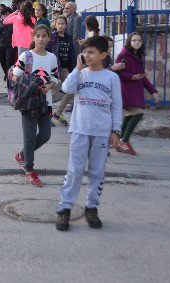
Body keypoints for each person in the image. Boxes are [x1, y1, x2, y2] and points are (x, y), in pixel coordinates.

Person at [56, 36, 122, 231]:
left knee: (97, 172)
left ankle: (92, 207)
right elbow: (66, 88)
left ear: (104, 54)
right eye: (84, 51)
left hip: (102, 131)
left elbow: (117, 105)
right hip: (79, 129)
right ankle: (64, 208)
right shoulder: (80, 74)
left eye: (91, 52)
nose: (86, 55)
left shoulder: (112, 77)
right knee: (74, 170)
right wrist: (76, 69)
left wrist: (116, 130)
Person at [12, 24, 60, 187]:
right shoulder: (26, 56)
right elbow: (15, 77)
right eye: (37, 35)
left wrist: (50, 86)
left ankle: (22, 155)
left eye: (44, 36)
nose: (41, 39)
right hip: (29, 102)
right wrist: (33, 85)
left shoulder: (52, 57)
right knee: (30, 137)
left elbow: (55, 77)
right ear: (33, 37)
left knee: (45, 135)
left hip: (46, 102)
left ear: (49, 38)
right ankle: (29, 170)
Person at [113, 32, 160, 155]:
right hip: (126, 90)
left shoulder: (137, 56)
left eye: (139, 40)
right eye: (134, 40)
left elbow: (143, 77)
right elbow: (117, 72)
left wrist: (153, 92)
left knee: (129, 116)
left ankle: (118, 141)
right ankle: (125, 141)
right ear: (129, 42)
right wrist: (132, 77)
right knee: (138, 114)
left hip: (135, 90)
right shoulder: (123, 55)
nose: (137, 42)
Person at [47, 15, 75, 127]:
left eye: (62, 24)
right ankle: (46, 117)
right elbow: (48, 51)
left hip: (65, 69)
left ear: (66, 25)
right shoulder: (52, 37)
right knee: (52, 94)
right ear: (55, 24)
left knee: (71, 90)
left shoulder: (68, 37)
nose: (60, 26)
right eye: (58, 23)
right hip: (54, 69)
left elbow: (71, 54)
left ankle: (58, 113)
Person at [0, 7, 14, 81]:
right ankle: (6, 73)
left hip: (11, 44)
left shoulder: (14, 22)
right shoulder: (0, 22)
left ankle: (9, 76)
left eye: (8, 14)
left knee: (9, 61)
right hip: (1, 44)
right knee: (2, 60)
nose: (6, 15)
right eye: (4, 14)